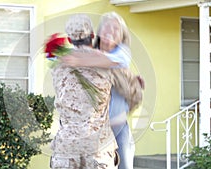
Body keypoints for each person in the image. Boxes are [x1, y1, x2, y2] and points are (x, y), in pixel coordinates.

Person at [61, 12, 144, 169]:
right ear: (98, 31)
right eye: (107, 26)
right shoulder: (88, 49)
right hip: (93, 131)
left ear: (121, 37)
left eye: (116, 29)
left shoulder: (122, 52)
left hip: (118, 127)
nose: (110, 31)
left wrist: (80, 59)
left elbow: (111, 61)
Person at [49, 14, 119, 169]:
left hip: (66, 148)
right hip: (98, 149)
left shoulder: (58, 66)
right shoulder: (107, 63)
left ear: (69, 39)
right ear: (92, 36)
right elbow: (133, 92)